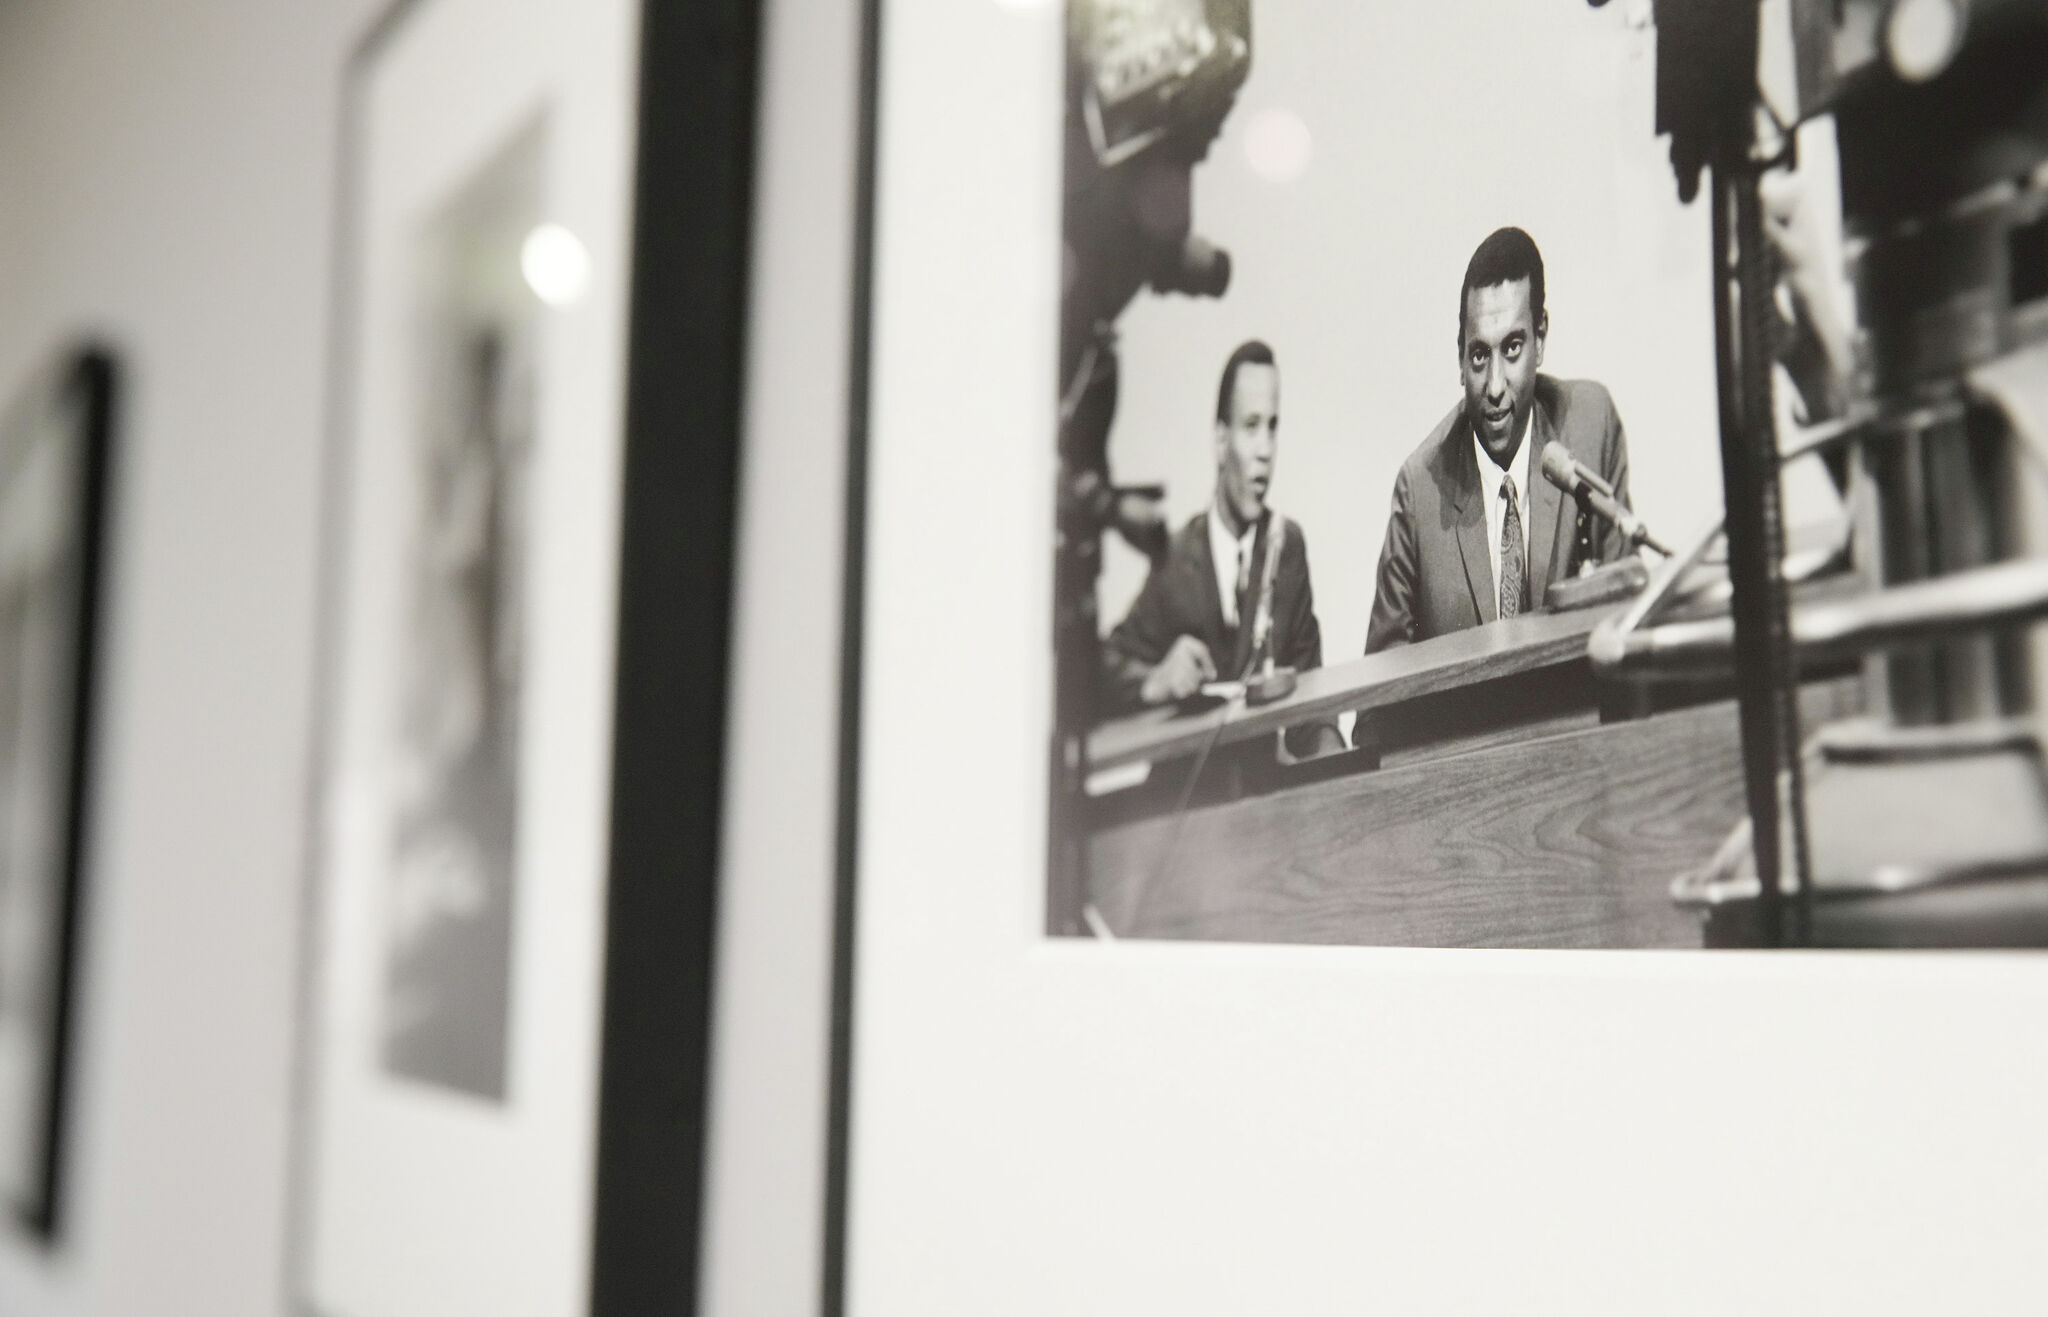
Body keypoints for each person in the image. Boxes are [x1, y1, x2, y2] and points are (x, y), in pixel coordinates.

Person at [1365, 226, 1637, 652]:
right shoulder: (1419, 489)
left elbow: (1628, 622)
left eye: (1512, 348)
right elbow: (1382, 685)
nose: (1494, 386)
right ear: (1459, 359)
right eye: (1478, 355)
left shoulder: (1590, 426)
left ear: (1540, 339)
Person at [1102, 340, 1344, 757]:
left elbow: (1312, 712)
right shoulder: (1174, 557)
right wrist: (1155, 680)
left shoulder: (1287, 548)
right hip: (1187, 809)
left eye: (1273, 426)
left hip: (1264, 804)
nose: (1266, 450)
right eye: (1251, 426)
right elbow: (1100, 670)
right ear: (1220, 439)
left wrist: (1341, 771)